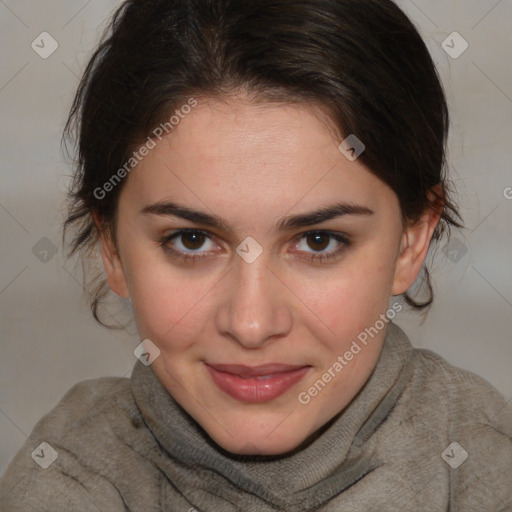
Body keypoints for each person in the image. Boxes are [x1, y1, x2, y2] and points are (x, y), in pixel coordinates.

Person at [1, 0, 510, 510]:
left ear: (411, 239)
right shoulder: (66, 479)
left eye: (318, 241)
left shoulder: (483, 460)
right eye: (192, 240)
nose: (251, 324)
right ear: (111, 247)